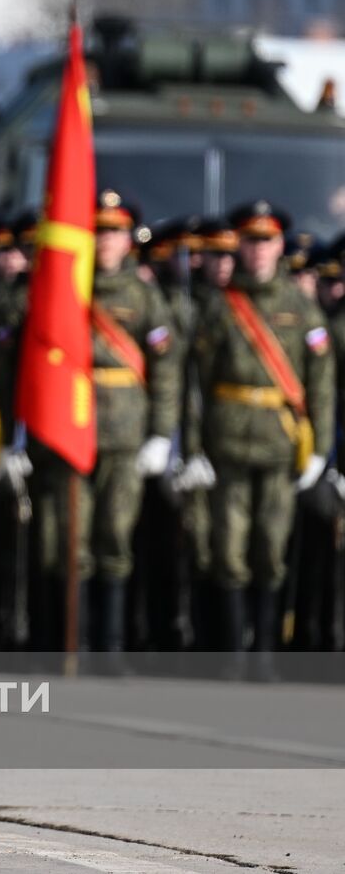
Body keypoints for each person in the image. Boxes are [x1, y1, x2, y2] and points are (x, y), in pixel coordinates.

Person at [28, 191, 180, 652]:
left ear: (128, 239)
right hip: (69, 426)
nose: (106, 241)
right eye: (98, 231)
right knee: (69, 540)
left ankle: (110, 643)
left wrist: (160, 434)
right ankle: (72, 641)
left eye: (114, 232)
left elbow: (166, 369)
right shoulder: (63, 288)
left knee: (115, 536)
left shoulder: (145, 298)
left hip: (124, 432)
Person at [188, 201, 334, 674]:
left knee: (270, 548)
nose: (258, 252)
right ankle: (232, 653)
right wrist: (192, 448)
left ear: (279, 247)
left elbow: (321, 384)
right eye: (250, 241)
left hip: (278, 443)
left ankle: (264, 652)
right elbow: (199, 383)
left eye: (267, 241)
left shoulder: (301, 306)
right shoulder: (219, 305)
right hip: (227, 441)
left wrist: (321, 451)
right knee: (228, 549)